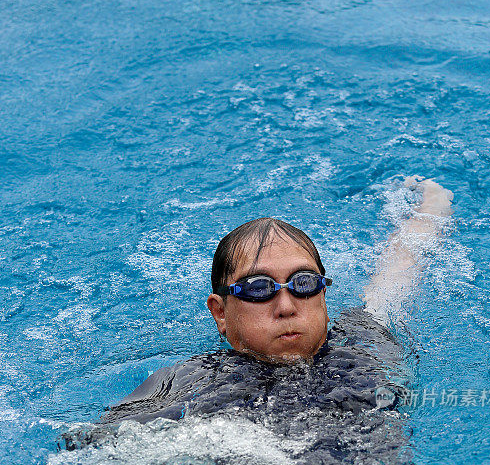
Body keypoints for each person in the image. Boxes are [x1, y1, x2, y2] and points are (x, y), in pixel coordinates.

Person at [96, 176, 453, 430]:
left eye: (304, 283)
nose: (286, 305)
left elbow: (401, 268)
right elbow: (98, 446)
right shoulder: (188, 383)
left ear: (323, 294)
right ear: (220, 313)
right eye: (258, 288)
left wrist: (433, 201)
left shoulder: (364, 341)